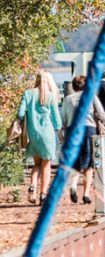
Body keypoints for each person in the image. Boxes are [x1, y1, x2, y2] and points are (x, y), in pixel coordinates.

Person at [61, 74, 105, 205]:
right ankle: (86, 194)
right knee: (89, 164)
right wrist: (97, 117)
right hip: (88, 130)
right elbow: (103, 114)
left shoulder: (67, 99)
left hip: (72, 130)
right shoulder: (91, 96)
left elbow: (63, 118)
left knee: (75, 161)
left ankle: (73, 186)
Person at [18, 70, 62, 204]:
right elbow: (56, 121)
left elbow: (20, 114)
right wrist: (60, 130)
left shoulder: (28, 93)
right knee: (46, 164)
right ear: (47, 81)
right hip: (47, 134)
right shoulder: (50, 96)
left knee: (36, 164)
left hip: (33, 134)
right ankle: (43, 194)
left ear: (36, 79)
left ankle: (33, 187)